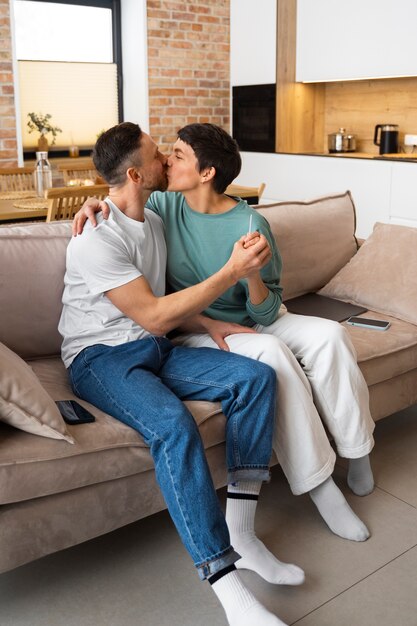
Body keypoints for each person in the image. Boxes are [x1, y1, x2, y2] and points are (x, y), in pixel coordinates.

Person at [74, 123, 375, 543]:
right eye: (166, 153)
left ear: (207, 173)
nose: (166, 160)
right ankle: (320, 485)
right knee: (269, 354)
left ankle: (357, 449)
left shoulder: (249, 221)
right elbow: (125, 198)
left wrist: (250, 275)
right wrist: (92, 202)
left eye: (176, 155)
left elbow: (267, 307)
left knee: (331, 336)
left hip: (252, 318)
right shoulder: (164, 207)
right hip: (198, 327)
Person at [60, 122, 305, 626]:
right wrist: (230, 273)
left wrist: (208, 319)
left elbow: (159, 312)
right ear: (135, 173)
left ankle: (244, 532)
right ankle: (228, 587)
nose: (167, 162)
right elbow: (151, 314)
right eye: (158, 156)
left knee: (254, 379)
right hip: (99, 357)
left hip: (153, 346)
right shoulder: (94, 238)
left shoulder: (153, 218)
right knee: (173, 426)